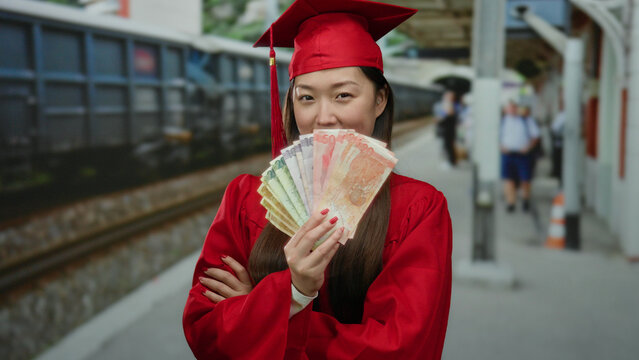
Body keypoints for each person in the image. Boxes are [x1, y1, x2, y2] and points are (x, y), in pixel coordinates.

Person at [182, 1, 453, 359]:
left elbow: (404, 348)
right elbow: (205, 330)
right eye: (306, 97)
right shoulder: (246, 198)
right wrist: (291, 294)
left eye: (343, 95)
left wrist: (271, 308)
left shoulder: (418, 210)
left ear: (380, 100)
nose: (324, 117)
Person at [500, 100, 540, 212]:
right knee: (509, 179)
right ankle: (511, 203)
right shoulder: (503, 121)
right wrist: (501, 147)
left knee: (525, 179)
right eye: (510, 107)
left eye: (514, 107)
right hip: (508, 153)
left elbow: (535, 136)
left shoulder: (525, 120)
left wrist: (528, 147)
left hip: (522, 154)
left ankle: (525, 199)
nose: (512, 110)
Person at [434, 91, 461, 169]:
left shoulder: (452, 105)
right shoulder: (451, 105)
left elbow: (447, 115)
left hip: (449, 130)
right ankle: (451, 161)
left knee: (449, 146)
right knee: (448, 146)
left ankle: (451, 162)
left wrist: (440, 119)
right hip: (448, 129)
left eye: (447, 96)